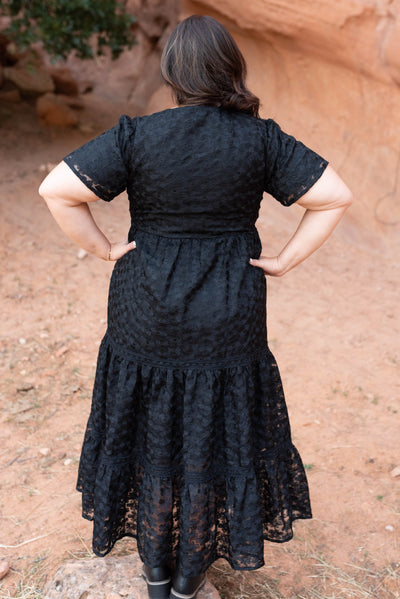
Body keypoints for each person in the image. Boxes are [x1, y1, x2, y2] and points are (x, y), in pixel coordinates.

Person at [39, 14, 353, 599]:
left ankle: (156, 572)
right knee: (216, 428)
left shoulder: (137, 135)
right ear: (231, 69)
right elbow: (335, 197)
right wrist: (284, 261)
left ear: (172, 74)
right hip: (228, 312)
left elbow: (57, 188)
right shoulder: (260, 138)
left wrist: (105, 248)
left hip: (145, 309)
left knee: (153, 427)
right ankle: (189, 579)